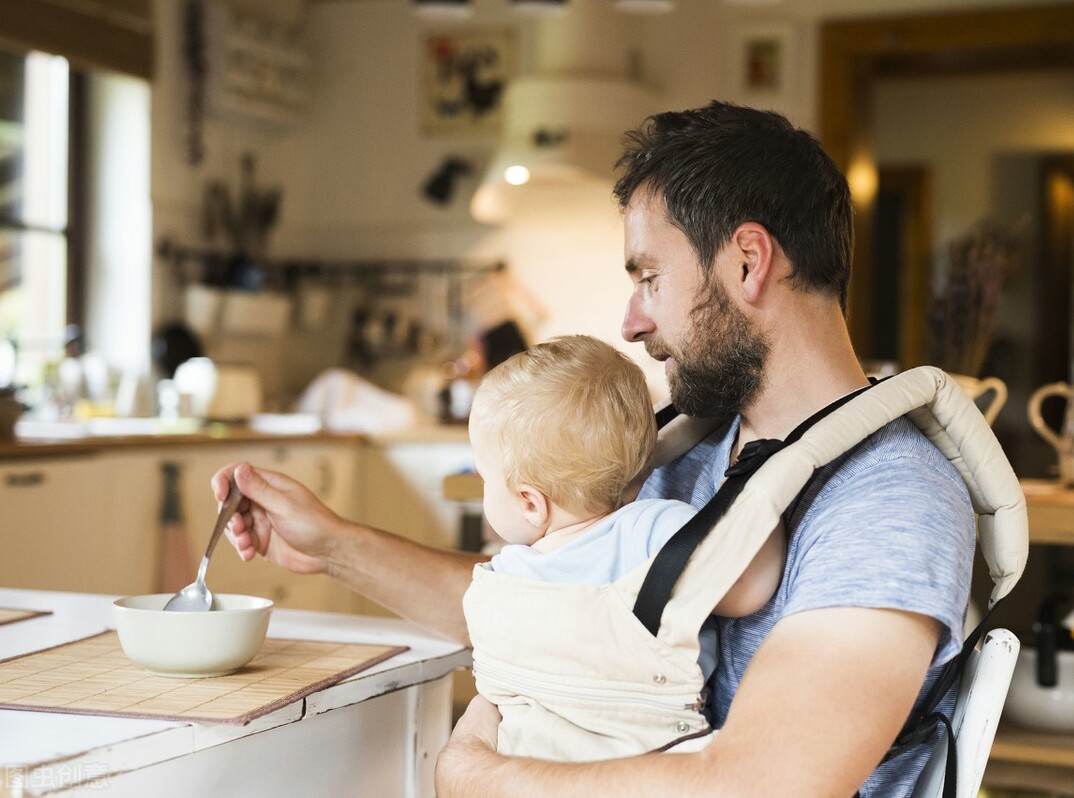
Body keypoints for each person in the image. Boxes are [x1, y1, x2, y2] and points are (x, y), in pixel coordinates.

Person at [213, 101, 975, 796]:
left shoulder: (888, 497)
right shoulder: (694, 447)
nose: (631, 323)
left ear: (748, 261)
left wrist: (481, 774)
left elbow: (763, 785)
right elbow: (565, 612)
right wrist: (335, 546)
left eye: (649, 277)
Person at [463, 333, 781, 760]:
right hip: (649, 762)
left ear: (530, 503)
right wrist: (762, 489)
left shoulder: (508, 574)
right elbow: (750, 588)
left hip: (531, 764)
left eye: (485, 478)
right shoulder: (654, 529)